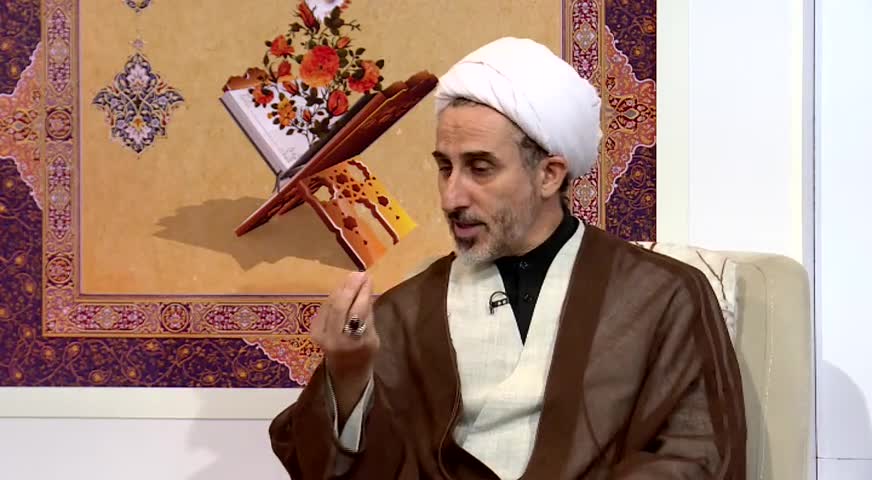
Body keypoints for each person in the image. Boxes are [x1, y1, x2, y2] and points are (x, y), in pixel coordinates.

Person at [268, 37, 746, 480]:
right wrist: (348, 375)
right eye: (445, 168)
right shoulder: (405, 311)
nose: (451, 196)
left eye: (480, 168)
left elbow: (698, 454)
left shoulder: (662, 294)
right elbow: (323, 467)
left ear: (549, 175)